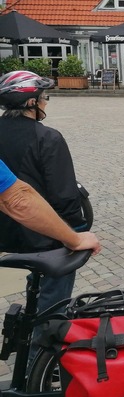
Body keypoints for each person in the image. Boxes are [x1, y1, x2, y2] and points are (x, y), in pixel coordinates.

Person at [0, 70, 90, 316]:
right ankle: (42, 346)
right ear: (31, 103)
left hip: (7, 230)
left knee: (36, 279)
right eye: (43, 97)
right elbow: (65, 195)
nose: (45, 101)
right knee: (54, 299)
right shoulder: (48, 138)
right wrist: (77, 233)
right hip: (41, 232)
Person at [0, 158, 100, 255]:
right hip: (44, 240)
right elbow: (17, 201)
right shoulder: (47, 140)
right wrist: (76, 238)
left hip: (10, 238)